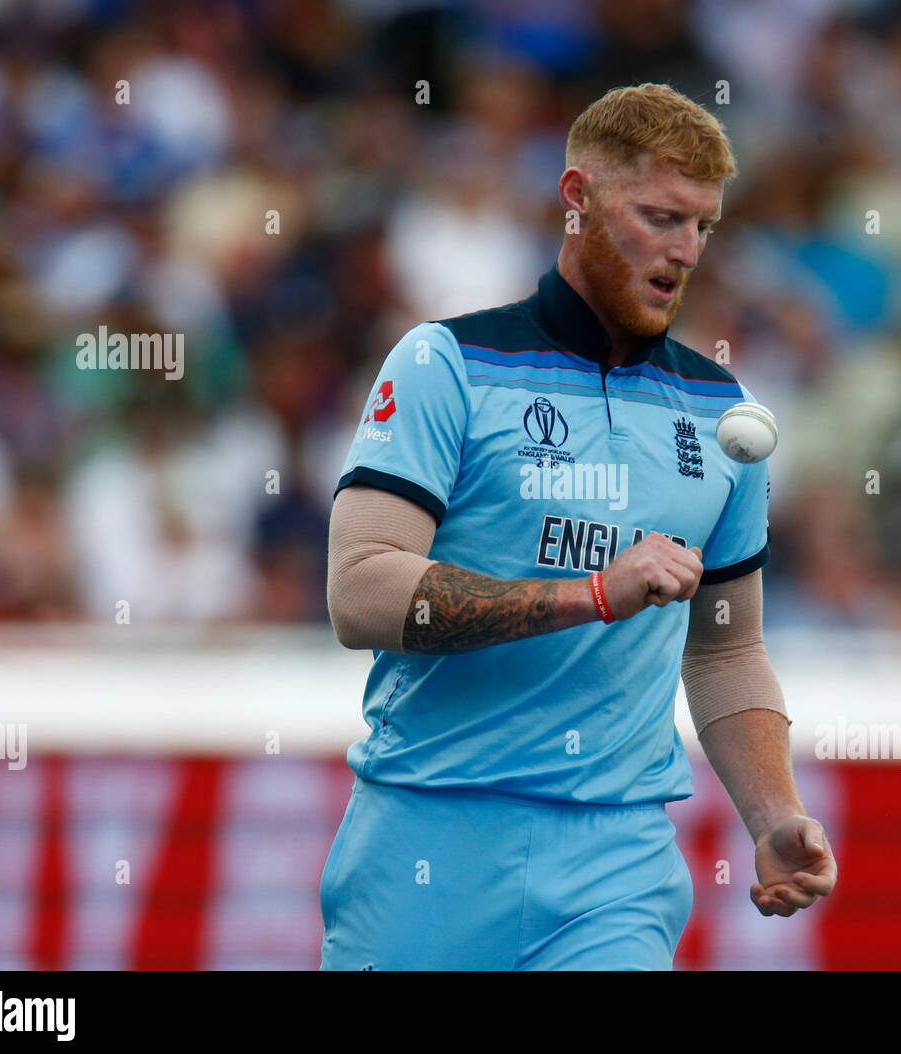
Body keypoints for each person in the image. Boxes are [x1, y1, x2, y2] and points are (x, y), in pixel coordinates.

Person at [320, 82, 836, 971]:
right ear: (578, 197)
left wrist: (773, 813)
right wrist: (593, 593)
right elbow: (360, 589)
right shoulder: (448, 364)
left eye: (703, 227)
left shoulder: (726, 416)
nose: (684, 252)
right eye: (660, 217)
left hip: (616, 862)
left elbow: (724, 650)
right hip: (428, 837)